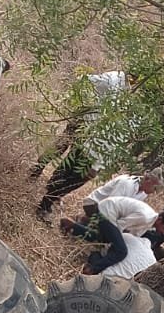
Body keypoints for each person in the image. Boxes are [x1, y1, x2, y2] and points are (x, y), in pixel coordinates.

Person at [32, 75, 132, 217]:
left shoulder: (129, 90)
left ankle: (52, 191)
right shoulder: (113, 79)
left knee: (72, 161)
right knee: (62, 148)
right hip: (85, 122)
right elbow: (86, 80)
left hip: (93, 130)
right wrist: (86, 110)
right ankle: (37, 171)